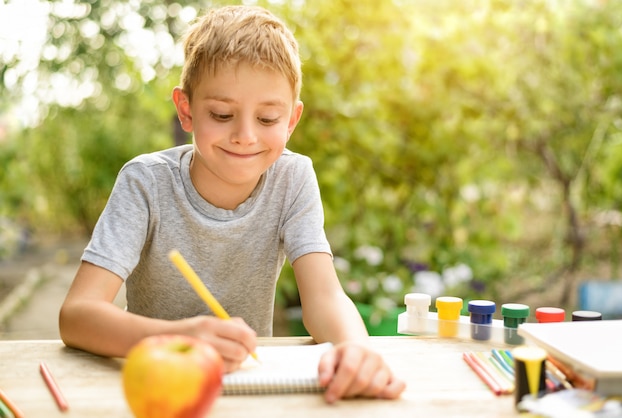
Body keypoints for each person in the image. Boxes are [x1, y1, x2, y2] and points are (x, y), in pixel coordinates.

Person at [59, 5, 405, 403]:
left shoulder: (292, 179)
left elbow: (324, 298)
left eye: (268, 118)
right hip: (156, 391)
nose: (244, 136)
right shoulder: (145, 183)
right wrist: (181, 337)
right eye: (222, 114)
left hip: (249, 389)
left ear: (292, 120)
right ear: (186, 110)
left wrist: (355, 348)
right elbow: (77, 315)